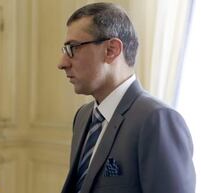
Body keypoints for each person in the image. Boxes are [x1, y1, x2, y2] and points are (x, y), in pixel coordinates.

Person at [58, 3, 195, 193]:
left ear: (111, 50)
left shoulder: (157, 119)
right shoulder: (83, 117)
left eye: (72, 48)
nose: (62, 63)